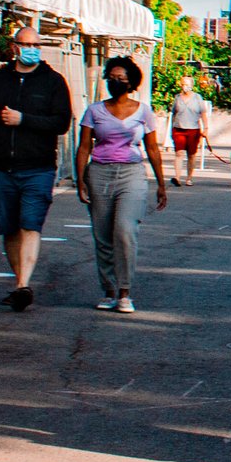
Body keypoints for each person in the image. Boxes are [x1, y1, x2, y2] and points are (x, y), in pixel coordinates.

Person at [0, 25, 74, 313]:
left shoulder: (54, 82)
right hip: (2, 167)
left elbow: (61, 123)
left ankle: (23, 285)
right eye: (26, 44)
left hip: (39, 167)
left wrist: (24, 119)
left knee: (30, 224)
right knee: (9, 228)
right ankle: (19, 282)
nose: (31, 49)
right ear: (14, 48)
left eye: (36, 44)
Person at [75, 55, 170, 313]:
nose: (116, 82)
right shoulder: (94, 111)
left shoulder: (143, 111)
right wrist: (80, 180)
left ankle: (125, 292)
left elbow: (152, 148)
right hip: (99, 175)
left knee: (125, 231)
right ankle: (108, 290)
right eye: (112, 78)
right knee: (103, 235)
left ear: (132, 83)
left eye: (122, 79)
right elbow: (84, 147)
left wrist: (162, 183)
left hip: (132, 175)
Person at [167, 74, 211, 186]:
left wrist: (206, 128)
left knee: (191, 155)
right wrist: (172, 128)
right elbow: (173, 113)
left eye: (186, 84)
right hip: (178, 129)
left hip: (193, 129)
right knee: (179, 153)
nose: (184, 86)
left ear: (191, 85)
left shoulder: (197, 97)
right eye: (182, 84)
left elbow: (203, 113)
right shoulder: (177, 97)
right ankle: (177, 177)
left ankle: (189, 178)